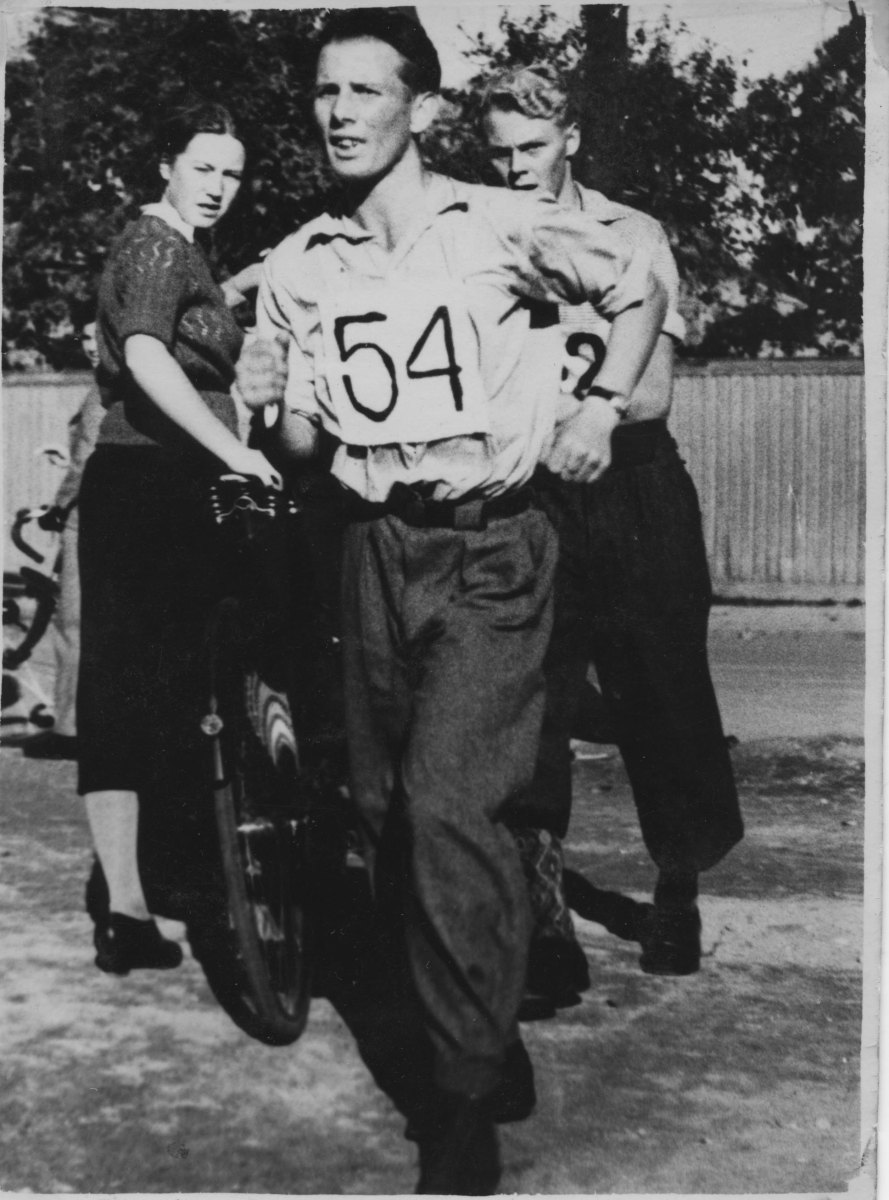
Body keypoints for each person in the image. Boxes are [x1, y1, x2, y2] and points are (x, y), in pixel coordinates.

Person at [236, 12, 668, 1193]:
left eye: (365, 90)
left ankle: (462, 1101)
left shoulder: (498, 223)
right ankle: (490, 997)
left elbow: (638, 284)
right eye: (325, 92)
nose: (339, 113)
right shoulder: (302, 263)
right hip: (370, 552)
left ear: (420, 107)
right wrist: (268, 405)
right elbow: (303, 448)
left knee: (445, 807)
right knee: (384, 813)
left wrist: (600, 407)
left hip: (492, 545)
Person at [480, 64, 743, 993]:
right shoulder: (474, 234)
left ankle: (676, 887)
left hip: (630, 485)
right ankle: (542, 912)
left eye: (533, 146)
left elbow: (651, 391)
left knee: (663, 691)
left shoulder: (630, 233)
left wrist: (559, 412)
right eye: (500, 151)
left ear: (571, 140)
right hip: (528, 492)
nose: (516, 167)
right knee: (529, 702)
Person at [77, 100, 280, 979]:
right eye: (203, 167)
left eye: (232, 173)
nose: (219, 186)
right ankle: (138, 896)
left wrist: (243, 290)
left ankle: (135, 903)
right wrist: (233, 450)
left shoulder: (174, 250)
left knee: (138, 684)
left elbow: (183, 328)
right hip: (153, 485)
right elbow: (149, 353)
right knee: (150, 682)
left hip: (155, 485)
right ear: (167, 164)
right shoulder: (158, 245)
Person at [22, 322, 104, 761]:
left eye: (99, 337)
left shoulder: (105, 390)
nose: (91, 346)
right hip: (114, 515)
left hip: (87, 518)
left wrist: (57, 508)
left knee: (73, 623)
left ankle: (70, 730)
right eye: (85, 339)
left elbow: (87, 460)